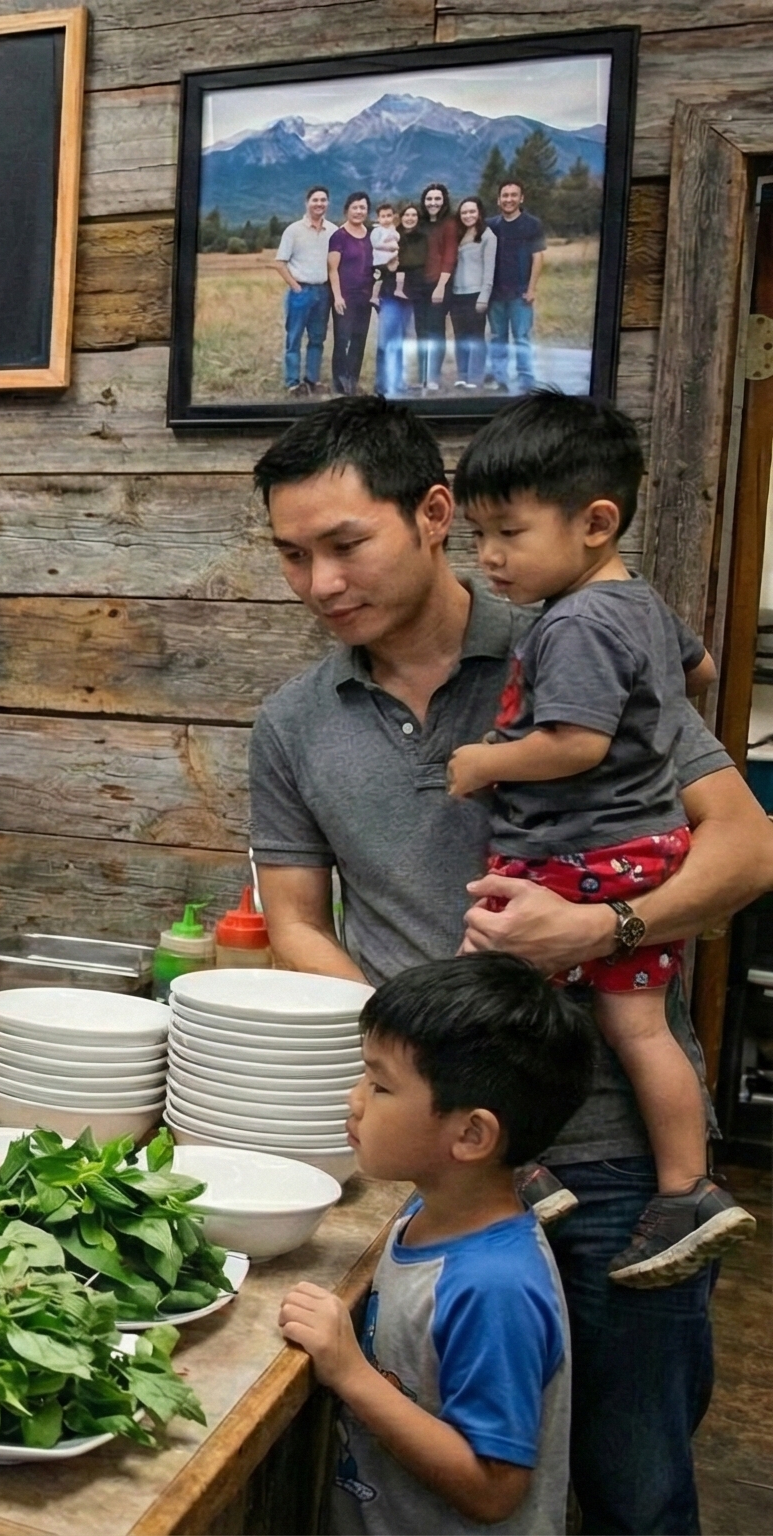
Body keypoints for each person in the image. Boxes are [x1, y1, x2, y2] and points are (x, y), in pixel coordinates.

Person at [244, 395, 773, 1533]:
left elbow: (745, 847)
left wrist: (604, 931)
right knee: (453, 1481)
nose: (320, 584)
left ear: (434, 514)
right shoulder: (293, 721)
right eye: (292, 556)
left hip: (610, 1152)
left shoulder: (577, 639)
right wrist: (423, 1050)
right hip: (440, 1167)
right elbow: (294, 922)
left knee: (633, 1488)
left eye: (345, 545)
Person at [446, 393, 755, 1283]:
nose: (490, 559)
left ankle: (516, 1160)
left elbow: (575, 742)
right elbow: (695, 669)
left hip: (574, 856)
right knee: (637, 1024)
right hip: (644, 848)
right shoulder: (640, 603)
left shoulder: (575, 621)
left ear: (595, 521)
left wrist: (487, 763)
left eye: (508, 532)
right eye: (480, 535)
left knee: (488, 994)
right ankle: (687, 1187)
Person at [281, 953, 591, 1535]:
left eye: (379, 1085)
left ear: (471, 1134)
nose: (355, 1099)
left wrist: (350, 1372)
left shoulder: (493, 1286)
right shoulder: (430, 1213)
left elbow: (493, 1489)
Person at [488, 180, 548, 392]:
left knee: (522, 337)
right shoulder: (491, 225)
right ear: (498, 200)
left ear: (521, 198)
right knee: (497, 337)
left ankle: (525, 379)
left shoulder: (532, 224)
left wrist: (531, 288)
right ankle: (500, 378)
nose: (509, 199)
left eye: (514, 195)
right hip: (495, 293)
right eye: (505, 195)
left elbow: (538, 257)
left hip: (520, 291)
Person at [276, 187, 337, 396]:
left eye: (323, 200)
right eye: (315, 200)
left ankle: (312, 379)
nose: (319, 204)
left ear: (328, 203)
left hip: (323, 292)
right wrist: (295, 287)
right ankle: (293, 383)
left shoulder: (333, 231)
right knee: (294, 338)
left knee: (318, 338)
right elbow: (280, 263)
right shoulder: (293, 230)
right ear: (307, 203)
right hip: (301, 292)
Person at [327, 192, 377, 395]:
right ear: (347, 209)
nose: (359, 211)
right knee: (343, 340)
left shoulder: (371, 235)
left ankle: (353, 380)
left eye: (363, 208)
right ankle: (340, 383)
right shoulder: (339, 236)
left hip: (365, 296)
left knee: (359, 339)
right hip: (345, 296)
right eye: (355, 207)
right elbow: (332, 269)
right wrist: (337, 296)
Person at [414, 183, 458, 393]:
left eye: (437, 199)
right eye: (429, 199)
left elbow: (450, 256)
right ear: (424, 201)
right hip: (419, 285)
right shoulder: (420, 224)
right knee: (420, 331)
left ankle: (433, 377)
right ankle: (422, 376)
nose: (433, 203)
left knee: (435, 331)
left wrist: (441, 286)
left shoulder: (449, 224)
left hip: (438, 284)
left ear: (444, 201)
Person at [448, 197, 494, 391]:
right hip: (456, 294)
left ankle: (475, 377)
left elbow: (489, 270)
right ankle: (462, 376)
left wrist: (484, 297)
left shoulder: (488, 236)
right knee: (460, 336)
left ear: (479, 213)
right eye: (464, 212)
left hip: (476, 294)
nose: (468, 215)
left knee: (476, 337)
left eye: (472, 212)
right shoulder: (457, 235)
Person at [371, 201, 410, 398]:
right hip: (385, 281)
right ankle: (382, 384)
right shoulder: (377, 232)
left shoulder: (398, 232)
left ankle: (397, 381)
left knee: (401, 339)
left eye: (389, 215)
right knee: (386, 340)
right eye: (382, 216)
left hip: (405, 294)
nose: (386, 219)